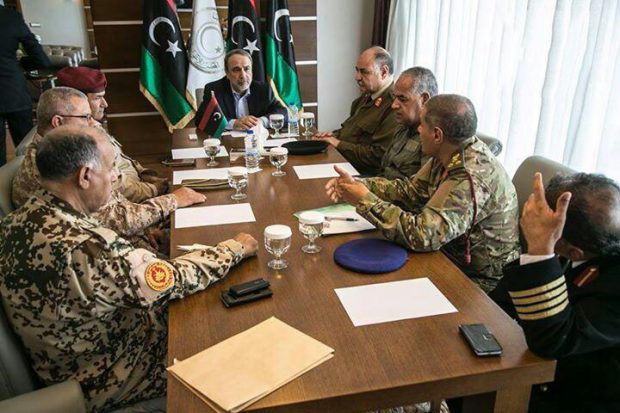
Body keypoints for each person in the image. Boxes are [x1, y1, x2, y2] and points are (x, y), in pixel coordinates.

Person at [0, 124, 258, 412]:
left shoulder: (18, 220)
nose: (115, 177)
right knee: (238, 337)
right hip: (113, 376)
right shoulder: (87, 248)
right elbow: (173, 280)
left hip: (70, 359)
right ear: (85, 176)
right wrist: (233, 249)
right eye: (111, 168)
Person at [325, 94, 519, 292]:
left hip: (478, 281)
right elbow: (411, 191)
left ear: (437, 135)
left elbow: (423, 236)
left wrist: (365, 200)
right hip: (446, 256)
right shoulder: (450, 151)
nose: (418, 129)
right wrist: (360, 185)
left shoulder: (471, 176)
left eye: (422, 125)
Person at [489, 173, 620, 412]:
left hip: (574, 394)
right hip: (534, 360)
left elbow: (554, 341)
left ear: (574, 252)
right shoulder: (589, 240)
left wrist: (540, 250)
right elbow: (502, 302)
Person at [12, 87, 204, 248]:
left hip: (126, 237)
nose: (93, 122)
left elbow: (113, 206)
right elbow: (115, 220)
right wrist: (173, 200)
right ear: (58, 122)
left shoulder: (62, 151)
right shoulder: (51, 164)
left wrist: (146, 228)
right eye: (85, 117)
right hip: (108, 253)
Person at [56, 66, 169, 203]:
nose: (105, 104)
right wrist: (154, 190)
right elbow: (113, 186)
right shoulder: (77, 141)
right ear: (77, 100)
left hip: (139, 189)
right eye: (98, 98)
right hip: (129, 203)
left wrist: (144, 175)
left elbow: (121, 161)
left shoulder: (93, 125)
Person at [314, 46, 399, 175]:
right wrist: (332, 135)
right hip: (346, 164)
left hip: (366, 175)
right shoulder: (365, 98)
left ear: (383, 72)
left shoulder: (394, 106)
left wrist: (337, 143)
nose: (357, 77)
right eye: (357, 70)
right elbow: (351, 131)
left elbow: (378, 156)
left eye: (364, 72)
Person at [0, 5, 50, 166]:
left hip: (13, 91)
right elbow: (42, 60)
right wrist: (20, 64)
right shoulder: (10, 17)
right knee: (29, 151)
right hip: (14, 90)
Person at [194, 49, 287, 131]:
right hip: (227, 142)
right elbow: (201, 120)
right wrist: (233, 123)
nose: (243, 75)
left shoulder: (263, 89)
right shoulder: (214, 90)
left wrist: (261, 121)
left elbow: (283, 113)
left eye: (247, 69)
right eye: (236, 70)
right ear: (227, 73)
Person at [379, 66, 438, 180]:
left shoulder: (433, 138)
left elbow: (420, 188)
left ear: (424, 100)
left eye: (403, 99)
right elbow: (384, 169)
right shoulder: (403, 126)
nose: (394, 105)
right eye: (394, 97)